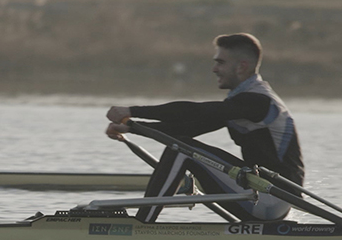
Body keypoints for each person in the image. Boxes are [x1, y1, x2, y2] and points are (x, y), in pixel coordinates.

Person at [105, 33, 303, 223]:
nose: (214, 69)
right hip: (263, 196)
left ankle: (142, 224)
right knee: (181, 144)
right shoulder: (241, 103)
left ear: (242, 66)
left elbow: (195, 111)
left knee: (181, 149)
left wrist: (131, 110)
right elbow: (188, 127)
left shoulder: (258, 101)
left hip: (272, 200)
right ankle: (146, 219)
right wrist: (130, 128)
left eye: (221, 62)